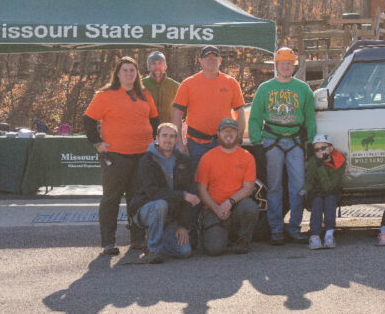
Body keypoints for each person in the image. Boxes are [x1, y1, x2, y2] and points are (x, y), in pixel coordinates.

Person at [84, 56, 159, 255]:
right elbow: (88, 120)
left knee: (136, 198)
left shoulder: (144, 94)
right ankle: (108, 242)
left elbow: (154, 119)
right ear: (117, 74)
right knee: (111, 198)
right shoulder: (105, 95)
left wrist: (153, 142)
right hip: (115, 156)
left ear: (137, 74)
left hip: (142, 155)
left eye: (132, 70)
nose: (129, 74)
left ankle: (136, 240)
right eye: (125, 70)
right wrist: (97, 143)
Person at [248, 46, 316, 245]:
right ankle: (276, 230)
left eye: (289, 63)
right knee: (274, 187)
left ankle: (294, 228)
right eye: (282, 64)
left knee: (298, 186)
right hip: (271, 140)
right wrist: (257, 143)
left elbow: (310, 119)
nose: (285, 67)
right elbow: (255, 118)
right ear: (276, 65)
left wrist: (311, 142)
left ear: (293, 66)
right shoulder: (265, 88)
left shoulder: (303, 89)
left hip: (295, 140)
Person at [128, 123, 197, 263]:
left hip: (171, 216)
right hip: (146, 210)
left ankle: (158, 238)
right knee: (160, 204)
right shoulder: (146, 161)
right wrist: (182, 195)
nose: (168, 140)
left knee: (185, 251)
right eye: (164, 135)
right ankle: (153, 250)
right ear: (157, 138)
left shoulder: (184, 161)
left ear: (176, 139)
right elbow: (153, 193)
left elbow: (189, 192)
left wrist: (183, 225)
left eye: (172, 136)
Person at [171, 45, 246, 168]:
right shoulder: (188, 83)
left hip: (223, 142)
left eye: (214, 57)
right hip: (196, 144)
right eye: (207, 57)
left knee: (222, 181)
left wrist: (237, 139)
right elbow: (176, 113)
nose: (211, 60)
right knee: (198, 181)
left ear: (220, 60)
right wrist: (179, 142)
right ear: (200, 61)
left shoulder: (231, 82)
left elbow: (240, 112)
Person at [194, 118, 258, 255]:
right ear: (218, 134)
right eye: (224, 131)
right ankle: (221, 236)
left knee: (250, 207)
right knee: (214, 250)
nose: (228, 134)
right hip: (212, 209)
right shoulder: (207, 158)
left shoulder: (247, 157)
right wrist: (217, 209)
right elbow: (201, 189)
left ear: (238, 134)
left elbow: (248, 188)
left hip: (236, 208)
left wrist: (229, 203)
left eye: (232, 131)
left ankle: (242, 241)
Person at [305, 135, 347, 250]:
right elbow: (309, 180)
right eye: (316, 149)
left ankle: (329, 234)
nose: (320, 152)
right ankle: (314, 236)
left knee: (330, 200)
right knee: (317, 202)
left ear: (330, 148)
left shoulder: (339, 160)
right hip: (317, 190)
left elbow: (329, 185)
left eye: (323, 148)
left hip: (332, 190)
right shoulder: (313, 161)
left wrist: (320, 166)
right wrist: (305, 190)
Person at [142, 51, 180, 124]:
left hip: (168, 131)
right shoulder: (141, 85)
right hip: (146, 129)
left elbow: (184, 108)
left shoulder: (175, 86)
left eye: (160, 63)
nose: (157, 67)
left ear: (165, 66)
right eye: (153, 63)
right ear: (149, 67)